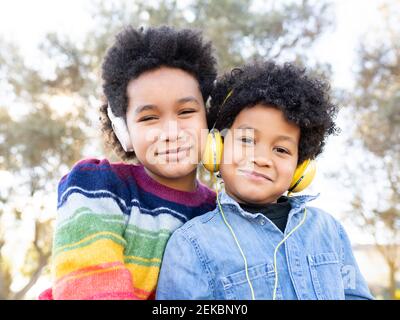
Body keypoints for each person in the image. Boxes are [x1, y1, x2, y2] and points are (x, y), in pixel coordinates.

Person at [156, 61, 374, 300]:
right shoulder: (191, 244)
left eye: (281, 150)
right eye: (247, 140)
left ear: (300, 168)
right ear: (216, 146)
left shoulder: (329, 230)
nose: (261, 159)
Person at [41, 25, 217, 300]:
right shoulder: (96, 187)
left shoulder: (219, 212)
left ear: (209, 120)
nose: (171, 132)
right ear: (125, 132)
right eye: (149, 118)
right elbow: (90, 289)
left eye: (186, 112)